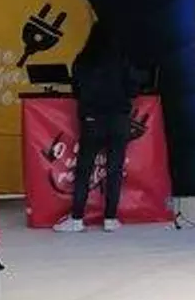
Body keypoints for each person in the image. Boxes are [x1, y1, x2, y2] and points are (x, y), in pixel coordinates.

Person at [55, 22, 136, 233]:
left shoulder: (83, 60)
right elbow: (133, 89)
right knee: (114, 169)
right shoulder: (122, 60)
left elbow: (76, 90)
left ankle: (77, 218)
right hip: (118, 120)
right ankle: (110, 218)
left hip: (92, 120)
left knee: (84, 169)